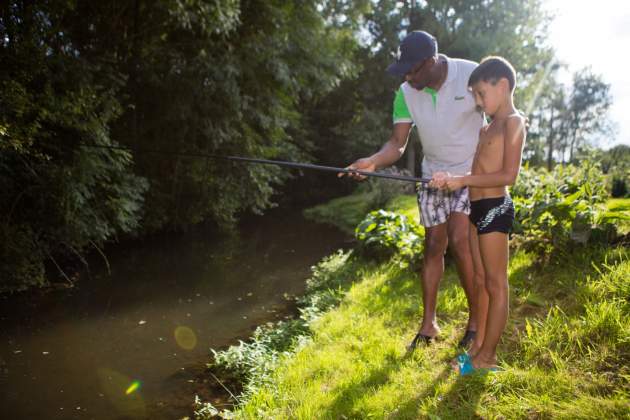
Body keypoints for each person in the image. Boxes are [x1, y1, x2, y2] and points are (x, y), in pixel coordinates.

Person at [339, 31, 483, 350]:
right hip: (432, 175)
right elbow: (397, 143)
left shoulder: (471, 73)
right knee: (433, 243)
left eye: (412, 69)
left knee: (460, 239)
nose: (407, 76)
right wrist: (373, 161)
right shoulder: (406, 92)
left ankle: (476, 322)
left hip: (469, 172)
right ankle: (428, 325)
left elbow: (500, 110)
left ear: (431, 62)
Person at [430, 56, 526, 374]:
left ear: (503, 85)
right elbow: (475, 169)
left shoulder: (514, 122)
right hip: (475, 209)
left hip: (495, 209)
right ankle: (477, 346)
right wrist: (448, 178)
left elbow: (508, 175)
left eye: (481, 94)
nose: (478, 101)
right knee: (481, 280)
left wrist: (465, 180)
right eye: (475, 95)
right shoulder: (487, 126)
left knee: (497, 284)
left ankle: (489, 357)